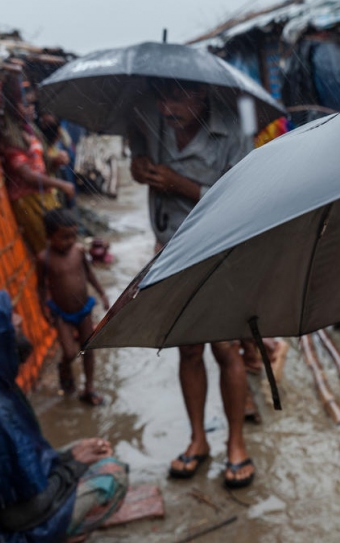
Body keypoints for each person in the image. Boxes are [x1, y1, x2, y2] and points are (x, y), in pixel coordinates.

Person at [128, 78, 257, 488]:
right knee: (187, 349)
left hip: (219, 250)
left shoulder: (233, 132)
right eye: (161, 98)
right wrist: (140, 165)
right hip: (171, 249)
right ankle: (198, 439)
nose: (166, 108)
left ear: (200, 93)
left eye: (175, 99)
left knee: (225, 348)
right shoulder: (154, 119)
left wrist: (179, 184)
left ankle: (236, 443)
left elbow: (244, 199)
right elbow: (138, 144)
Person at [0, 288, 128, 542]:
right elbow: (21, 514)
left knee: (82, 449)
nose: (19, 320)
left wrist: (67, 458)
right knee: (113, 472)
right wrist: (73, 465)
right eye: (9, 316)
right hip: (1, 534)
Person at [37, 208, 110, 406]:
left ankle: (89, 388)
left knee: (88, 347)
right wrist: (45, 310)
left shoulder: (78, 251)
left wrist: (102, 294)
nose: (70, 241)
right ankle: (64, 368)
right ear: (49, 236)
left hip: (83, 309)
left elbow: (89, 274)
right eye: (64, 237)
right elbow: (41, 287)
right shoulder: (44, 259)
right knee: (69, 353)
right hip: (61, 313)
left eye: (73, 236)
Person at [0, 73, 75, 253]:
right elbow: (27, 175)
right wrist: (61, 184)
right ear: (11, 106)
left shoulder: (30, 130)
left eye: (32, 104)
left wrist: (55, 161)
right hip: (29, 201)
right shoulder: (10, 136)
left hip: (44, 195)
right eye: (25, 104)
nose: (31, 108)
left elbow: (42, 166)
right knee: (47, 249)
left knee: (58, 246)